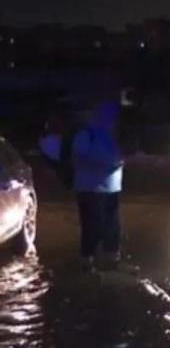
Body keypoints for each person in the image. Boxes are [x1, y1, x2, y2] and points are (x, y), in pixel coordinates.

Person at [71, 99, 126, 271]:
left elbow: (121, 155)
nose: (112, 120)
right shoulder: (87, 134)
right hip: (90, 188)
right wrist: (111, 162)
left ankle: (111, 258)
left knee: (112, 224)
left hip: (111, 188)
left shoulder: (114, 135)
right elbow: (79, 156)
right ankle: (87, 259)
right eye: (110, 116)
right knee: (92, 225)